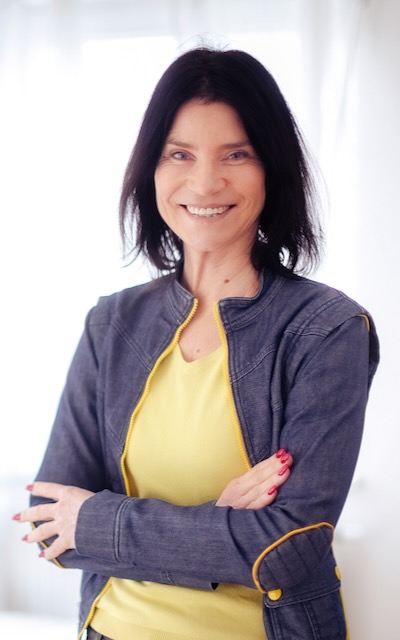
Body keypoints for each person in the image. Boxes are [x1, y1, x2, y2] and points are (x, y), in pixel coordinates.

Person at [14, 47, 379, 640]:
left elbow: (288, 549)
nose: (205, 181)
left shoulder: (326, 330)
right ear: (151, 170)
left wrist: (99, 521)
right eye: (179, 154)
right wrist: (216, 524)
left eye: (237, 154)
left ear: (272, 168)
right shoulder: (112, 324)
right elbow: (51, 524)